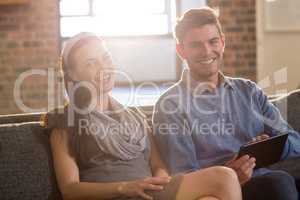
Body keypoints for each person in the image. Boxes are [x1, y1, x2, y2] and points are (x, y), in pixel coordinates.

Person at [44, 32, 242, 200]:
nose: (103, 67)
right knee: (222, 179)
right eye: (91, 63)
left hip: (150, 192)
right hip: (116, 195)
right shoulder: (66, 122)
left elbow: (158, 166)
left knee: (220, 185)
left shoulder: (135, 117)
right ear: (74, 74)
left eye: (105, 57)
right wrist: (125, 187)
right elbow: (70, 189)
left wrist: (159, 180)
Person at [152, 7, 300, 200]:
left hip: (268, 177)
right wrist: (226, 175)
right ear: (181, 51)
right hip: (222, 191)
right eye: (196, 45)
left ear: (222, 42)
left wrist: (271, 147)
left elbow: (295, 142)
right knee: (278, 182)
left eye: (213, 41)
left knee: (282, 180)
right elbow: (183, 176)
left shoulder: (249, 91)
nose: (207, 52)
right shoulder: (170, 105)